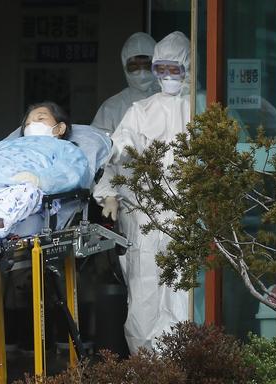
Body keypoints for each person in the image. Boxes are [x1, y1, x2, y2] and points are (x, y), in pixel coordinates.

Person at [93, 31, 192, 354]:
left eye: (173, 69)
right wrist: (108, 192)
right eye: (160, 69)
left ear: (188, 67)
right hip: (143, 212)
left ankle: (184, 363)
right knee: (144, 291)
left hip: (186, 215)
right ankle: (147, 365)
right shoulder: (138, 111)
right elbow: (116, 152)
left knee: (183, 293)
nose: (165, 77)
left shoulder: (199, 107)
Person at [0, 101, 90, 234]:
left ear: (60, 128)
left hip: (16, 187)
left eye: (40, 118)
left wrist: (41, 181)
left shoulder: (65, 148)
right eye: (27, 124)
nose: (32, 125)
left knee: (27, 191)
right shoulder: (4, 145)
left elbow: (70, 174)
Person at [91, 32, 159, 135]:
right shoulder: (111, 108)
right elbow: (98, 144)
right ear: (124, 67)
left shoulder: (170, 103)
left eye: (147, 66)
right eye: (134, 67)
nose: (142, 73)